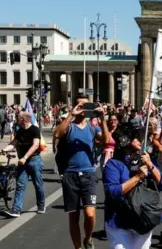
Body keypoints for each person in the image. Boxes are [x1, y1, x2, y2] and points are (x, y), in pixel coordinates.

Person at [54, 95, 108, 249]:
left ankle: (88, 238)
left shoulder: (93, 127)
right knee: (74, 216)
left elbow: (106, 140)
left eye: (85, 105)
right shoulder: (69, 126)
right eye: (79, 105)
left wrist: (103, 119)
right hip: (70, 175)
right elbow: (58, 134)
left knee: (90, 215)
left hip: (89, 175)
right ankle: (78, 247)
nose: (82, 108)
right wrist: (71, 114)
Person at [103, 126, 162, 249]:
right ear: (125, 141)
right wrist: (138, 177)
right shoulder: (113, 164)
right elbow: (113, 192)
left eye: (139, 138)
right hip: (119, 220)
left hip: (144, 218)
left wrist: (150, 165)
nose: (139, 140)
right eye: (135, 138)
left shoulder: (146, 160)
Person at [2, 111, 46, 217]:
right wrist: (3, 150)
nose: (16, 118)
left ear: (23, 119)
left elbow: (35, 145)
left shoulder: (35, 130)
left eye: (18, 117)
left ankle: (41, 205)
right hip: (23, 162)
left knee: (38, 185)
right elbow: (14, 144)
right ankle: (16, 210)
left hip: (34, 160)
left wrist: (25, 157)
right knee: (20, 185)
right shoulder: (20, 131)